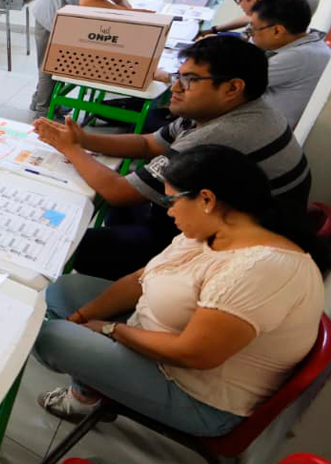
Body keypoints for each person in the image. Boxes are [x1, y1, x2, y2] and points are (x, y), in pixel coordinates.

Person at [33, 145, 326, 437]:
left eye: (171, 200)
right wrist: (83, 316)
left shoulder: (262, 270)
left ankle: (88, 390)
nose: (169, 210)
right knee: (60, 291)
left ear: (207, 199)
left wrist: (110, 330)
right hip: (161, 337)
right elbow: (141, 279)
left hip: (194, 392)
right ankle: (90, 389)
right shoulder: (214, 231)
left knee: (50, 337)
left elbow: (195, 355)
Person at [34, 36, 311, 281]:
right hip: (206, 216)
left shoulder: (223, 132)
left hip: (221, 247)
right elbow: (148, 143)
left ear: (232, 88)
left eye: (189, 80)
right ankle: (127, 273)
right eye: (178, 76)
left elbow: (119, 192)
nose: (175, 87)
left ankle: (138, 282)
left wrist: (71, 149)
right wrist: (82, 139)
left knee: (71, 243)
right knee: (120, 209)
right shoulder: (226, 110)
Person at [28, 0, 195, 116]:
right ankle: (44, 110)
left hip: (62, 13)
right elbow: (89, 1)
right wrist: (130, 16)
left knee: (50, 64)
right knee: (50, 67)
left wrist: (126, 7)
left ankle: (41, 102)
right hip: (55, 15)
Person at [246, 0, 330, 127]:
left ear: (277, 31)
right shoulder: (311, 45)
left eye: (253, 30)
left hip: (265, 129)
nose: (251, 36)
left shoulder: (300, 56)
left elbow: (239, 80)